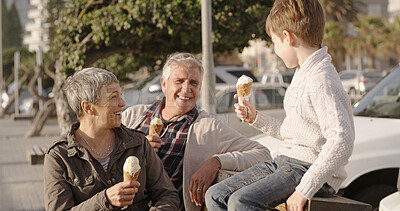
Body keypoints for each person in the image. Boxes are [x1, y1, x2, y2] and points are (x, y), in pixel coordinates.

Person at [205, 0, 355, 210]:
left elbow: (342, 140)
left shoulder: (322, 79)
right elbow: (295, 133)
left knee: (242, 202)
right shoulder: (303, 73)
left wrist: (305, 189)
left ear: (287, 37)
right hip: (286, 163)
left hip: (308, 170)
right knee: (216, 194)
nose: (275, 50)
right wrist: (255, 118)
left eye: (274, 43)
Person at [122, 52, 271, 210]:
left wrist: (216, 162)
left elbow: (263, 154)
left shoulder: (208, 127)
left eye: (193, 83)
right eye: (179, 81)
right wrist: (138, 150)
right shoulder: (133, 116)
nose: (186, 89)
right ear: (164, 84)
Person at [43, 67, 179, 211]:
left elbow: (167, 195)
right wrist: (105, 199)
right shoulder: (58, 156)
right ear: (88, 107)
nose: (122, 103)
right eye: (113, 97)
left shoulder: (138, 143)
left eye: (120, 95)